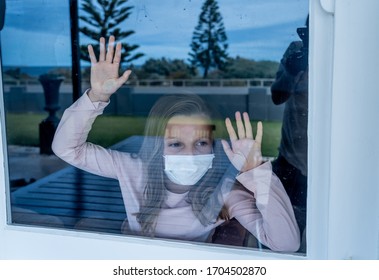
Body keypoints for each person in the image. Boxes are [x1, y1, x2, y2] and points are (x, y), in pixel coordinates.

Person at [52, 36, 300, 252]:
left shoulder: (222, 191)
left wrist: (257, 174)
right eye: (176, 144)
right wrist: (97, 96)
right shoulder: (133, 169)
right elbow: (66, 148)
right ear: (158, 146)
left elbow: (286, 243)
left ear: (213, 146)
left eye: (201, 142)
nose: (190, 154)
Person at [270, 16, 309, 237]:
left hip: (329, 163)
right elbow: (277, 95)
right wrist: (292, 71)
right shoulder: (295, 51)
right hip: (290, 160)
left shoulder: (345, 52)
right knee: (284, 228)